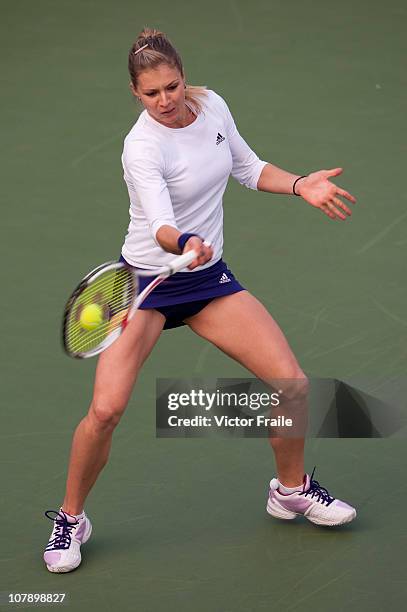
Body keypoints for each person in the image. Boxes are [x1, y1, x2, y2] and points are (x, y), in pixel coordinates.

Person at [43, 28, 357, 573]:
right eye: (151, 93)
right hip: (148, 282)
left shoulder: (211, 107)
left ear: (185, 78)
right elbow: (162, 223)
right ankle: (71, 517)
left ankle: (289, 490)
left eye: (173, 86)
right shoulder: (141, 146)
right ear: (134, 94)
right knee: (106, 409)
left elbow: (246, 166)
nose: (166, 101)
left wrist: (301, 182)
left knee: (291, 384)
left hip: (207, 280)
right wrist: (184, 241)